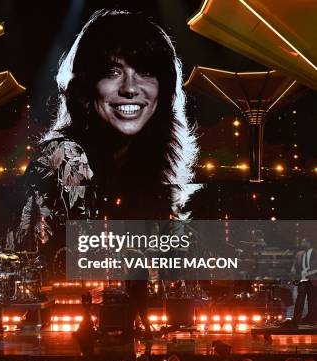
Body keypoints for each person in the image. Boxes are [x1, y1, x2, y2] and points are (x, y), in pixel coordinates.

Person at [11, 9, 199, 262]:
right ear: (86, 87)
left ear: (163, 88)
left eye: (145, 72)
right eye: (112, 72)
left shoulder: (155, 162)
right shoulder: (66, 155)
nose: (130, 89)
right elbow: (85, 256)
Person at [290, 237, 317, 325]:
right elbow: (295, 265)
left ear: (309, 243)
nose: (301, 243)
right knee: (300, 299)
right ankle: (296, 319)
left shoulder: (315, 253)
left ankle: (311, 319)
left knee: (312, 300)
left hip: (313, 280)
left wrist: (308, 273)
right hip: (303, 280)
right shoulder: (299, 254)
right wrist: (293, 270)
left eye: (303, 242)